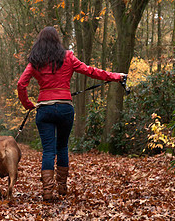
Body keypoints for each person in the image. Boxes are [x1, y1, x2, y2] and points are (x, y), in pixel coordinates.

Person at [17, 26, 126, 201]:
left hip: (44, 108)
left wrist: (28, 104)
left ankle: (47, 191)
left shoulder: (35, 61)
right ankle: (61, 188)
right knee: (62, 147)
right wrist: (116, 76)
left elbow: (21, 84)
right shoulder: (67, 57)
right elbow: (90, 71)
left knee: (48, 151)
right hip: (64, 108)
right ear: (57, 40)